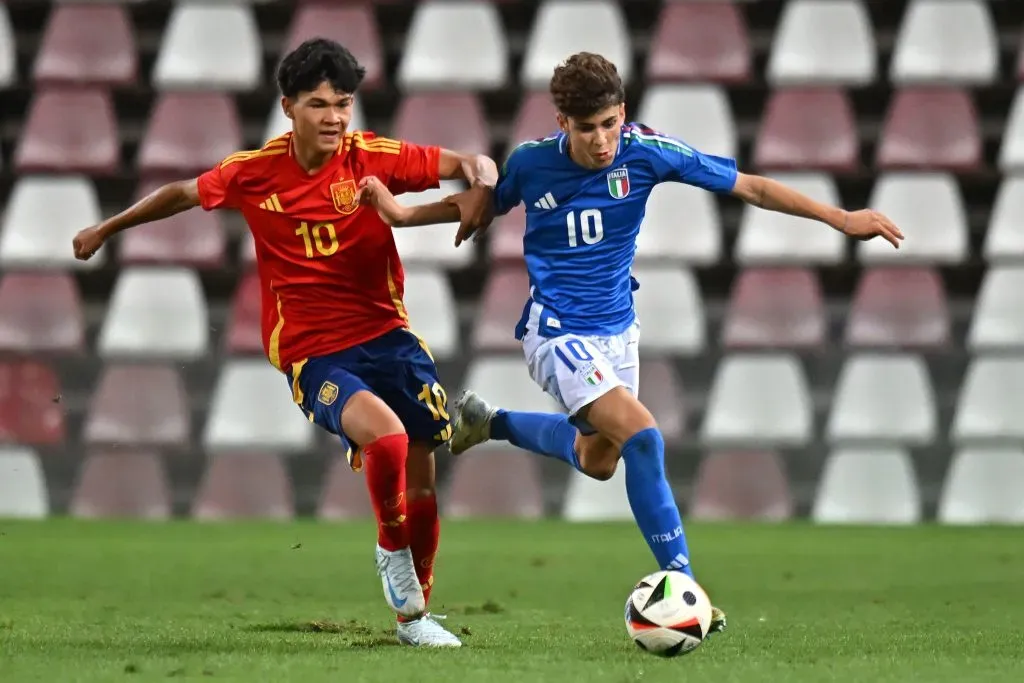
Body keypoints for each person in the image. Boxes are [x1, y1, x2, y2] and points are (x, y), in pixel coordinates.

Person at [355, 51, 905, 638]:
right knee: (644, 437)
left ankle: (490, 423)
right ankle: (685, 586)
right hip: (556, 331)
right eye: (586, 127)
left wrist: (840, 218)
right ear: (561, 121)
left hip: (618, 332)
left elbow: (753, 188)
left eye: (609, 123)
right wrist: (399, 214)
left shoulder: (647, 152)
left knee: (600, 460)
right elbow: (477, 206)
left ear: (623, 113)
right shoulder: (533, 165)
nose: (601, 140)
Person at [71, 38, 498, 648]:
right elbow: (182, 194)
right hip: (313, 350)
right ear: (288, 107)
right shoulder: (254, 171)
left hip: (389, 336)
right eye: (319, 104)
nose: (334, 118)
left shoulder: (371, 156)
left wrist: (483, 177)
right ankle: (399, 579)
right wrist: (107, 229)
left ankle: (415, 615)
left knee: (425, 466)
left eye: (343, 104)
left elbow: (468, 163)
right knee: (389, 438)